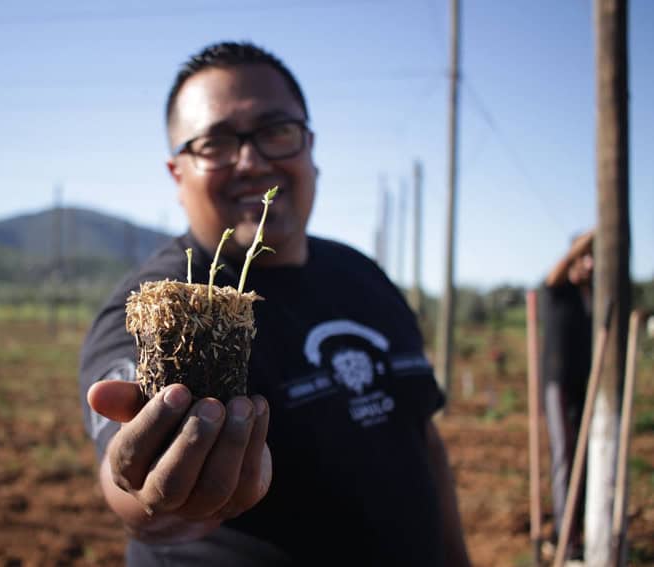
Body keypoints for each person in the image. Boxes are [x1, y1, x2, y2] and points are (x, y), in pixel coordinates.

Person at [80, 41, 471, 566]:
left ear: (310, 147)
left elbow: (422, 436)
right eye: (215, 143)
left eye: (276, 132)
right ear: (177, 174)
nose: (251, 161)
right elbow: (129, 481)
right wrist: (154, 494)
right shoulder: (164, 303)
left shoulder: (363, 276)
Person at [540, 229, 595, 561]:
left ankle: (581, 528)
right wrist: (597, 232)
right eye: (584, 257)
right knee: (565, 455)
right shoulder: (558, 289)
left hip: (585, 384)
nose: (590, 264)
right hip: (557, 383)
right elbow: (557, 271)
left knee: (586, 458)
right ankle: (566, 537)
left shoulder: (593, 293)